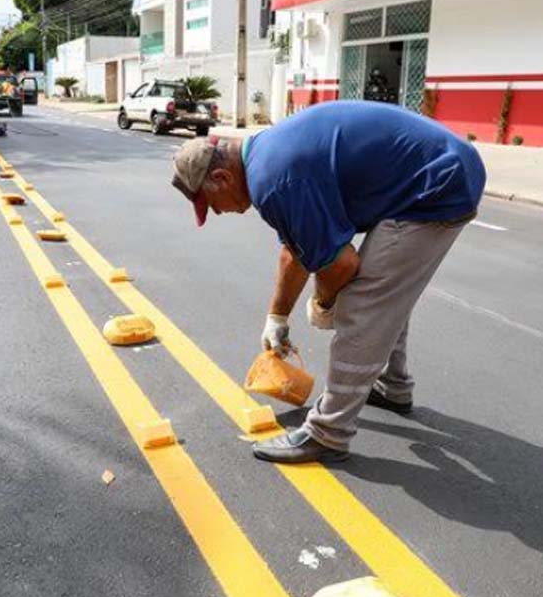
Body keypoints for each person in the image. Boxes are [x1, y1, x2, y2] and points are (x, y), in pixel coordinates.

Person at [170, 101, 486, 464]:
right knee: (386, 289)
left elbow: (340, 265)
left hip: (435, 186)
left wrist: (324, 304)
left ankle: (328, 433)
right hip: (435, 171)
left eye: (211, 204)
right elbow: (295, 249)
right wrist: (278, 317)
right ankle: (392, 384)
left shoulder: (273, 181)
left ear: (222, 179)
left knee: (363, 302)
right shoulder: (265, 158)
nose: (219, 212)